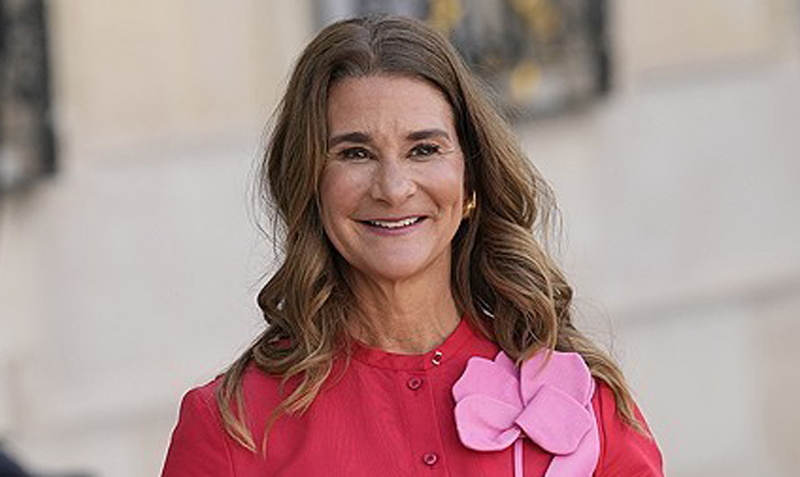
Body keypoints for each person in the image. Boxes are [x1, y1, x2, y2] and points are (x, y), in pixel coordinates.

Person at [162, 15, 663, 476]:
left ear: (470, 178)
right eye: (355, 153)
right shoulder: (233, 426)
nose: (394, 187)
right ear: (309, 183)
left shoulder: (579, 398)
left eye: (424, 149)